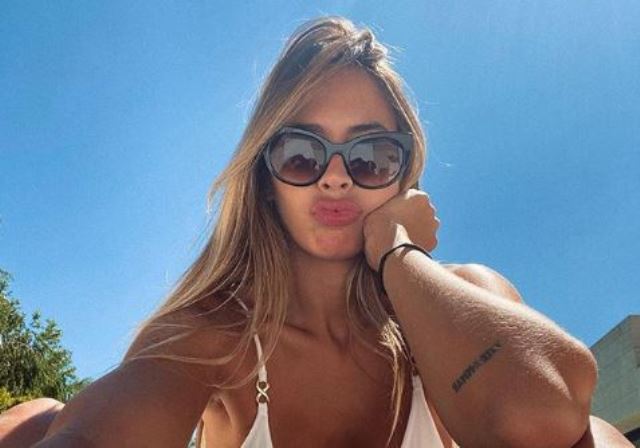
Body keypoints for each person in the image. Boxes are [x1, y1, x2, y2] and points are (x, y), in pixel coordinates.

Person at [1, 15, 633, 448]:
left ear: (403, 176)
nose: (335, 178)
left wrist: (397, 252)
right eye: (303, 153)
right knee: (34, 422)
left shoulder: (462, 298)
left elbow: (546, 420)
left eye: (371, 156)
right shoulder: (214, 335)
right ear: (265, 176)